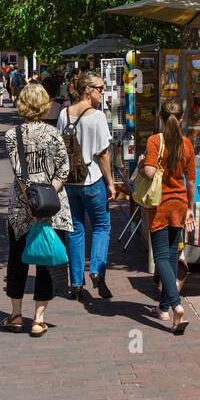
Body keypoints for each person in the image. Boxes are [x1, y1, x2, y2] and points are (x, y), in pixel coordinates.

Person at [3, 82, 73, 336]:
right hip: (52, 208)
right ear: (45, 105)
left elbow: (20, 174)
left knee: (17, 260)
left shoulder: (12, 135)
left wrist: (32, 201)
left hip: (22, 209)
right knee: (46, 260)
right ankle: (38, 318)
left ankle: (15, 314)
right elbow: (64, 169)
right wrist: (47, 196)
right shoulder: (54, 134)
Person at [57, 71, 116, 302]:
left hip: (70, 182)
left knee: (75, 229)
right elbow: (102, 154)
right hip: (92, 180)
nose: (103, 92)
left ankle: (75, 283)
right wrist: (111, 183)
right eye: (100, 88)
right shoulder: (97, 117)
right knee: (102, 226)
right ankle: (97, 270)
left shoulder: (64, 114)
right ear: (88, 90)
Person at [139, 98, 195, 333]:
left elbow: (150, 172)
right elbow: (191, 180)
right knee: (172, 253)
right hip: (180, 204)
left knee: (160, 257)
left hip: (160, 205)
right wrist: (191, 207)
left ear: (160, 117)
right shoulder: (187, 144)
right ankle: (163, 308)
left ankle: (175, 305)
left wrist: (142, 164)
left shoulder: (155, 141)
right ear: (182, 118)